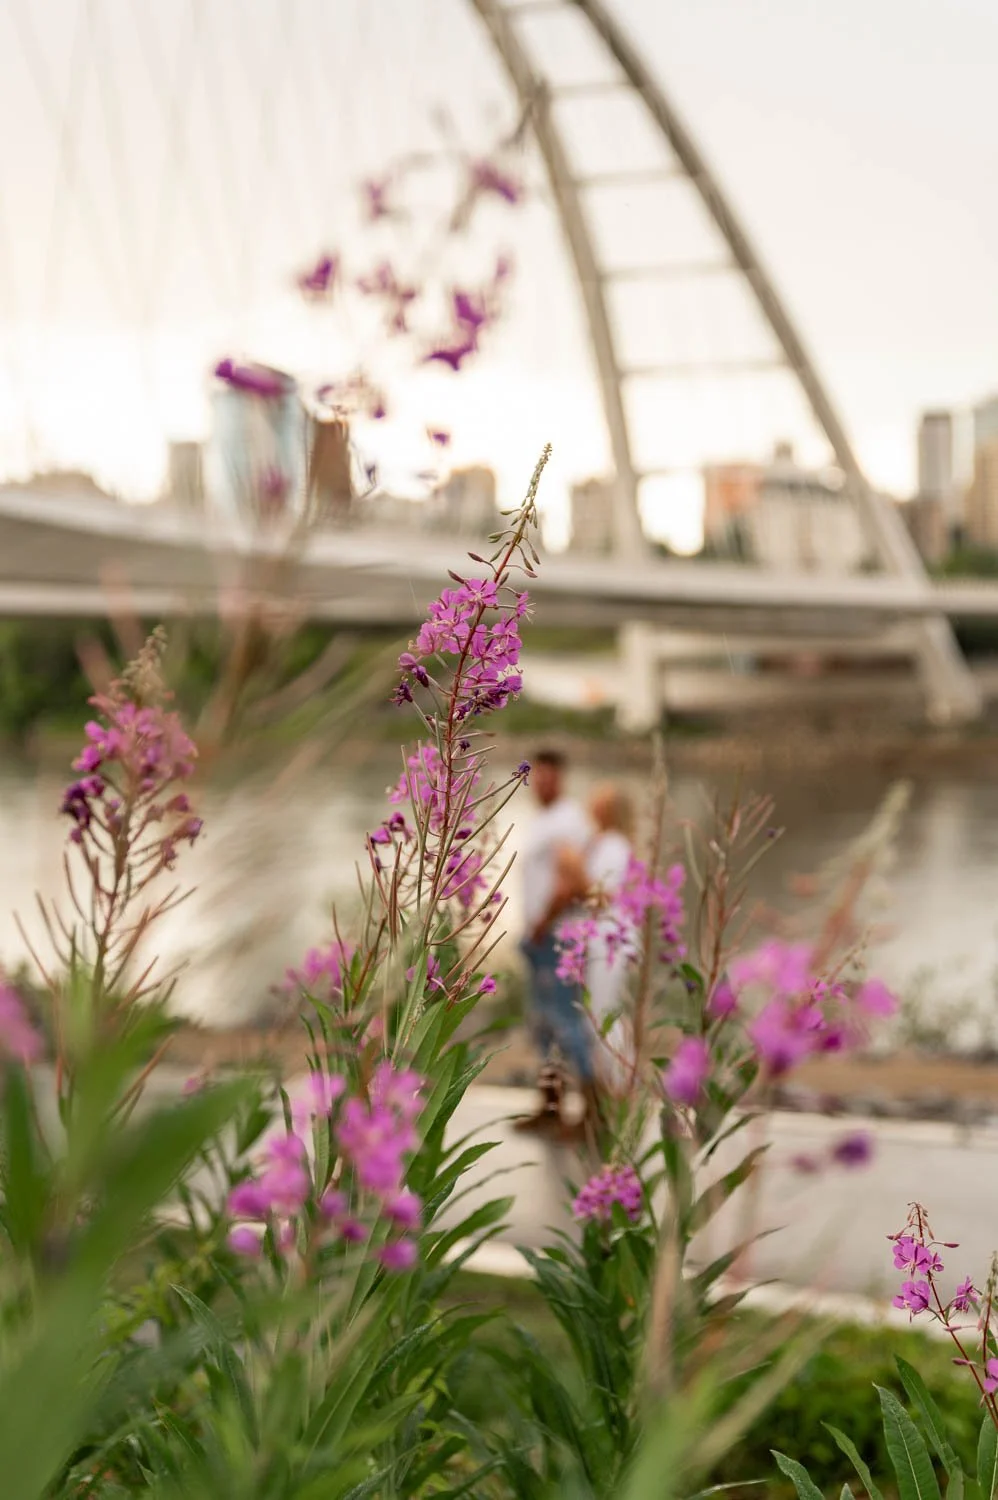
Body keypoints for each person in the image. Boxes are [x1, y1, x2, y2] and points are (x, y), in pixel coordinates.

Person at [516, 748, 595, 1136]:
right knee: (543, 1025)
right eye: (537, 777)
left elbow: (572, 880)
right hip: (544, 937)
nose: (542, 784)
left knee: (567, 1022)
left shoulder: (567, 819)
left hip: (557, 938)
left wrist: (541, 924)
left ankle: (593, 1116)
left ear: (560, 778)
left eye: (549, 776)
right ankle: (551, 1106)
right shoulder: (545, 819)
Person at [574, 784, 638, 1097]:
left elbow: (605, 893)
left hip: (610, 938)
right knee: (605, 1009)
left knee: (603, 1011)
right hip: (609, 936)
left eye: (598, 799)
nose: (591, 802)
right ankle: (614, 1078)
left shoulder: (613, 844)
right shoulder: (605, 842)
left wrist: (575, 876)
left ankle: (617, 1082)